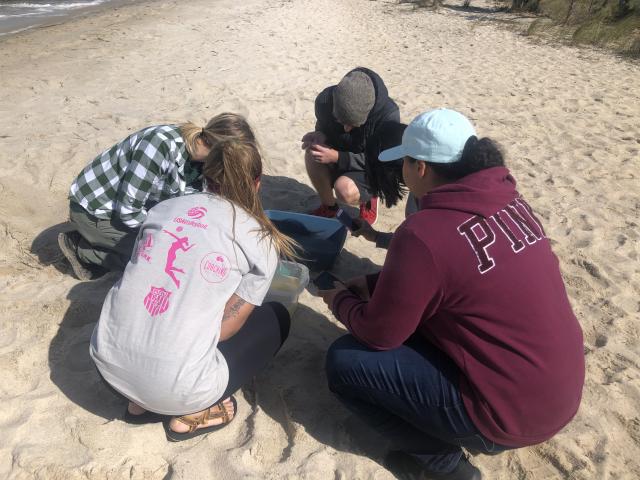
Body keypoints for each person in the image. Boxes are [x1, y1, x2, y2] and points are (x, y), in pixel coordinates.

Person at [320, 109, 584, 479]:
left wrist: (341, 301)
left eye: (405, 164)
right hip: (559, 394)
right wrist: (373, 284)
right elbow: (454, 275)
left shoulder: (423, 231)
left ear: (422, 168)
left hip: (502, 416)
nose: (403, 173)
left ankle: (445, 466)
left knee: (343, 362)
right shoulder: (510, 200)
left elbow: (379, 335)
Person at [90, 138, 297, 441]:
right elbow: (225, 330)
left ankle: (139, 405)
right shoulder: (260, 239)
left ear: (206, 175)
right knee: (276, 318)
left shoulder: (163, 209)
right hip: (177, 390)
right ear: (257, 183)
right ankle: (192, 413)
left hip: (107, 367)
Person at [58, 113, 256, 280]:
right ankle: (81, 250)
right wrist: (167, 236)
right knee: (154, 260)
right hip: (97, 211)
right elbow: (128, 210)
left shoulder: (206, 164)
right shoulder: (159, 145)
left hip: (134, 209)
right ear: (219, 149)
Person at [301, 67, 402, 225]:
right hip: (339, 152)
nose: (346, 129)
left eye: (354, 125)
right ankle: (329, 207)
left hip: (370, 167)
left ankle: (369, 198)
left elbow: (383, 161)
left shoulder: (387, 117)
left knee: (344, 190)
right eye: (341, 121)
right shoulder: (325, 101)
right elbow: (323, 126)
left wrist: (338, 157)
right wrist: (320, 135)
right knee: (312, 153)